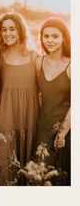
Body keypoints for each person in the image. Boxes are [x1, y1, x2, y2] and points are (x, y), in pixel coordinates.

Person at [0, 12, 39, 185]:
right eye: (4, 29)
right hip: (7, 114)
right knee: (6, 164)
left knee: (29, 162)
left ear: (20, 30)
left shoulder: (34, 56)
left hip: (30, 114)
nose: (8, 33)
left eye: (12, 29)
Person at [34, 17, 71, 185]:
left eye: (55, 36)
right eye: (46, 36)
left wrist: (63, 132)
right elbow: (34, 94)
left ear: (64, 38)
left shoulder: (72, 65)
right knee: (42, 174)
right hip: (43, 125)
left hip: (67, 127)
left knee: (64, 175)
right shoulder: (38, 62)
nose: (50, 40)